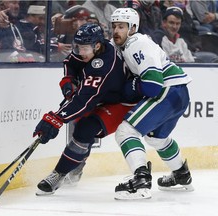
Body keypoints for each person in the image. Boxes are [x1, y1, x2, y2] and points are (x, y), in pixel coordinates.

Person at [33, 23, 141, 195]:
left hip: (120, 103)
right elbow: (70, 61)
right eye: (78, 47)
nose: (80, 52)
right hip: (99, 96)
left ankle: (58, 174)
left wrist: (55, 119)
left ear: (97, 46)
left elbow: (84, 101)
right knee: (79, 126)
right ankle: (75, 168)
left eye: (84, 48)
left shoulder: (103, 65)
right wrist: (68, 80)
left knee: (85, 129)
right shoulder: (91, 49)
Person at [110, 7, 194, 200]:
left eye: (121, 26)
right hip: (178, 92)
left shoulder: (136, 43)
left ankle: (140, 181)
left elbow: (153, 85)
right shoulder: (127, 43)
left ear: (132, 28)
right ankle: (181, 175)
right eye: (114, 26)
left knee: (126, 131)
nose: (116, 31)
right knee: (156, 139)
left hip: (167, 90)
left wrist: (131, 87)